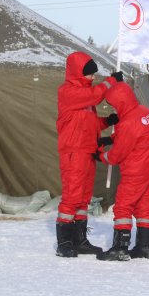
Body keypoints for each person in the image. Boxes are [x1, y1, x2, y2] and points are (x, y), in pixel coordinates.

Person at [55, 51, 122, 257]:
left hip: (88, 152)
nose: (93, 78)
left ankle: (80, 239)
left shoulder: (86, 96)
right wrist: (111, 81)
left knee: (83, 198)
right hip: (74, 153)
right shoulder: (68, 92)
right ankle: (64, 242)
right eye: (89, 74)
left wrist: (105, 122)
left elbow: (87, 123)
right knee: (72, 197)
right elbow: (94, 95)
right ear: (77, 73)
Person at [94, 82, 149, 261]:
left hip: (136, 171)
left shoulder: (128, 122)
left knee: (123, 206)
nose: (113, 108)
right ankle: (144, 247)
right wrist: (111, 138)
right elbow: (136, 135)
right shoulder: (145, 112)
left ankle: (120, 248)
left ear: (120, 102)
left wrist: (100, 156)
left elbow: (116, 155)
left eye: (114, 104)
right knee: (144, 208)